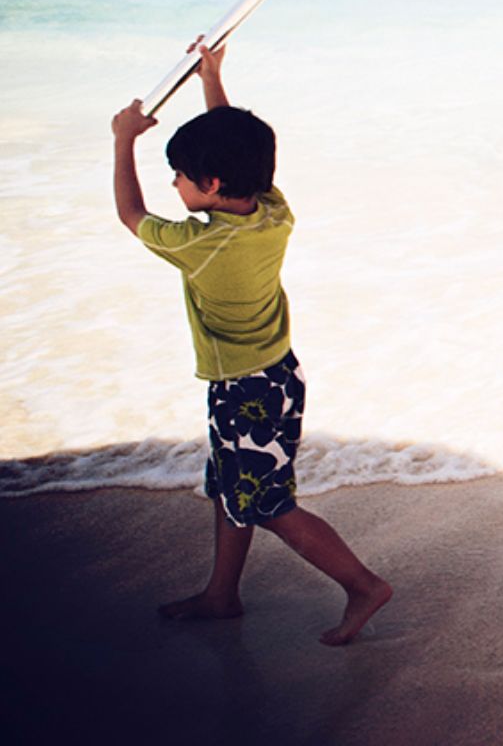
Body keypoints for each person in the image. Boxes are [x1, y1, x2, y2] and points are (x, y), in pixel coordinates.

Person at [110, 39, 393, 646]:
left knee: (267, 504)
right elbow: (238, 148)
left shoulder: (198, 243)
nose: (174, 186)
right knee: (230, 486)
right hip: (277, 376)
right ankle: (221, 594)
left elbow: (130, 213)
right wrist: (213, 78)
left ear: (211, 182)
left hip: (243, 390)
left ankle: (364, 586)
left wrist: (122, 139)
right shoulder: (272, 210)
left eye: (180, 177)